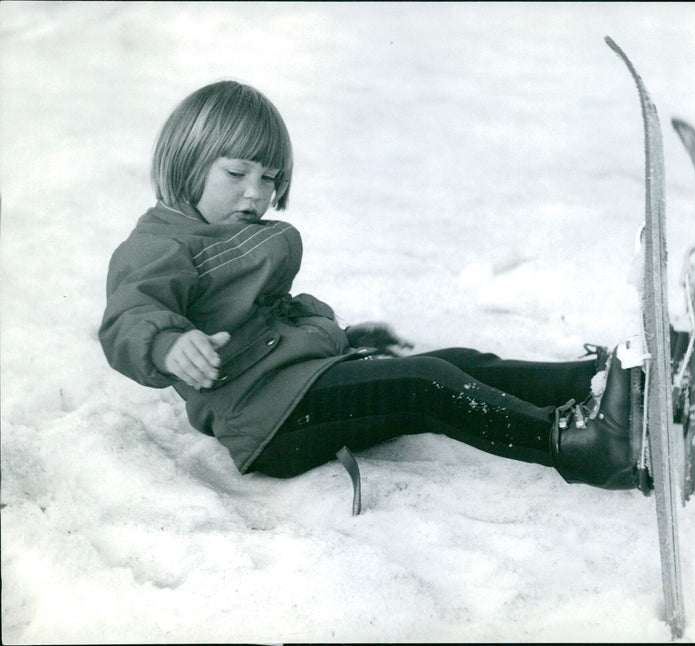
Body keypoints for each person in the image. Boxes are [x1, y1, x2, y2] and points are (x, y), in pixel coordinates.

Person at [99, 80, 653, 492]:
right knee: (426, 383)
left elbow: (259, 320)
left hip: (297, 387)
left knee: (457, 362)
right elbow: (128, 315)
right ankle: (579, 447)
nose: (256, 193)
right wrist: (166, 344)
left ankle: (593, 381)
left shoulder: (224, 232)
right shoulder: (160, 245)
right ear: (189, 163)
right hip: (270, 423)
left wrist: (327, 333)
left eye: (269, 179)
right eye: (237, 173)